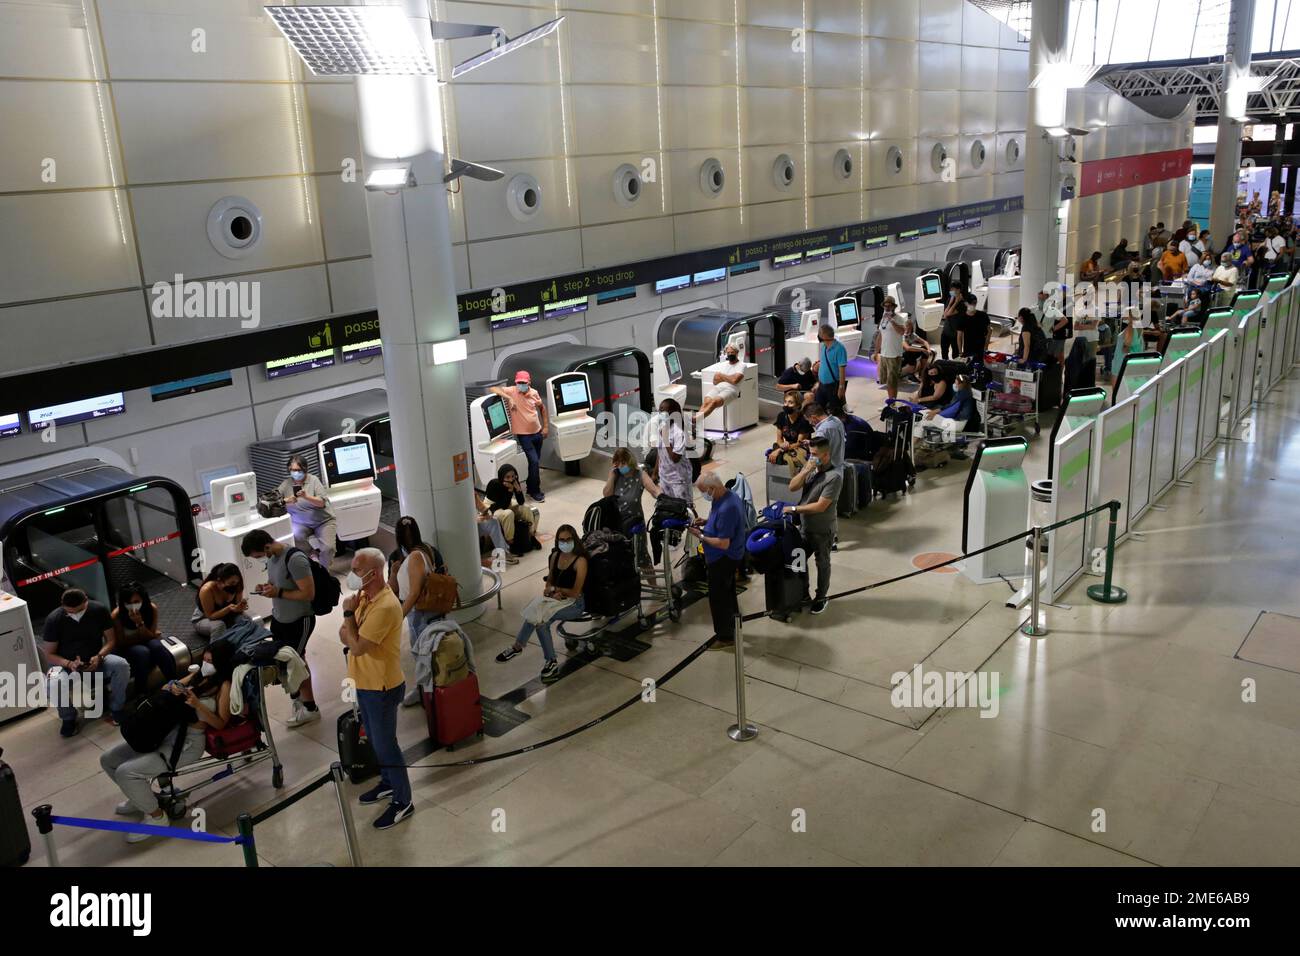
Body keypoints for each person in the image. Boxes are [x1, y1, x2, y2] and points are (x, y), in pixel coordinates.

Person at [100, 642, 235, 843]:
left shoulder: (224, 685)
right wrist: (173, 688)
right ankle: (142, 799)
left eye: (210, 661)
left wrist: (198, 705)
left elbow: (221, 722)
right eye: (204, 659)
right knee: (108, 759)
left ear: (221, 664)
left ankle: (157, 817)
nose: (205, 664)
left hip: (186, 744)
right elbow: (170, 685)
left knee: (126, 773)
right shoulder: (199, 675)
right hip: (165, 731)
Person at [339, 547, 413, 830]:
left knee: (386, 745)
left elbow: (355, 645)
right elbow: (344, 634)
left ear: (373, 572)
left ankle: (403, 800)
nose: (353, 574)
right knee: (374, 739)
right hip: (365, 683)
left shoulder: (384, 606)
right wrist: (350, 626)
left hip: (381, 687)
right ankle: (387, 782)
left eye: (357, 569)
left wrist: (348, 616)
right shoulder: (365, 598)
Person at [240, 528, 319, 727]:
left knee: (296, 662)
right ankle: (298, 700)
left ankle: (310, 708)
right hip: (280, 619)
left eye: (258, 555)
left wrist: (279, 592)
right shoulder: (272, 558)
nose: (258, 559)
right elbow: (277, 583)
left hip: (299, 619)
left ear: (266, 546)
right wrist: (266, 588)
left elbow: (308, 594)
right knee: (285, 661)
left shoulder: (295, 559)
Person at [494, 525, 587, 684]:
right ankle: (525, 650)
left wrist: (557, 590)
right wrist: (550, 591)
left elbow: (575, 592)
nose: (565, 543)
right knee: (536, 611)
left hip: (574, 604)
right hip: (555, 600)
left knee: (540, 620)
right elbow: (548, 583)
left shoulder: (580, 561)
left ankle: (540, 656)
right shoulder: (555, 556)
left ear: (574, 540)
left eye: (568, 539)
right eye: (561, 540)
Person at [43, 589, 129, 736]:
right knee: (53, 683)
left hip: (95, 659)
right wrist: (70, 664)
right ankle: (68, 718)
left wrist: (99, 656)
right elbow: (49, 654)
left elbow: (111, 640)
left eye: (80, 610)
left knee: (121, 665)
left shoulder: (99, 610)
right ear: (63, 607)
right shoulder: (54, 620)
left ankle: (117, 708)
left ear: (86, 602)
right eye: (71, 612)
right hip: (66, 666)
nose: (76, 615)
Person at [388, 515, 446, 707]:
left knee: (424, 653)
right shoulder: (428, 550)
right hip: (431, 608)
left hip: (419, 610)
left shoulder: (414, 556)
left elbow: (412, 593)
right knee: (429, 651)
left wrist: (398, 617)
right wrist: (394, 573)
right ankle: (429, 688)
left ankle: (428, 690)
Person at [687, 473, 746, 649]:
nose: (705, 495)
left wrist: (701, 535)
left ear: (713, 488)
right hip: (727, 555)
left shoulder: (728, 507)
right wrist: (707, 521)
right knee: (728, 592)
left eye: (705, 491)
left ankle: (725, 636)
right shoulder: (725, 495)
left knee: (718, 597)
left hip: (723, 558)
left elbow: (723, 543)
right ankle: (734, 624)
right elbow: (721, 521)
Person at [785, 436, 841, 616]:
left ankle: (822, 597)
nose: (811, 457)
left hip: (822, 530)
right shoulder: (811, 469)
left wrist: (794, 509)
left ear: (826, 455)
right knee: (798, 559)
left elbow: (820, 506)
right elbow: (792, 487)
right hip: (805, 527)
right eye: (810, 453)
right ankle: (803, 593)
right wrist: (805, 471)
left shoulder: (834, 477)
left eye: (815, 454)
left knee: (822, 563)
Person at [490, 371, 548, 503]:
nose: (521, 385)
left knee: (535, 463)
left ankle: (530, 486)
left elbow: (542, 409)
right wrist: (509, 398)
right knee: (534, 462)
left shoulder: (534, 393)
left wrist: (545, 427)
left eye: (524, 383)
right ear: (516, 383)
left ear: (529, 383)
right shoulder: (512, 391)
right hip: (524, 436)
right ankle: (535, 491)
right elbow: (493, 388)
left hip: (537, 433)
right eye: (519, 383)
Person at [276, 455, 337, 570]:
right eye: (293, 470)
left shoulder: (313, 480)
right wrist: (286, 501)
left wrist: (307, 497)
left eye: (299, 470)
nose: (296, 473)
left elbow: (321, 503)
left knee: (328, 548)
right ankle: (312, 554)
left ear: (305, 469)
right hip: (301, 523)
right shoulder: (286, 484)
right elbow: (275, 500)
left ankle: (323, 572)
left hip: (323, 521)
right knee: (294, 535)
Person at [603, 447, 660, 567]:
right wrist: (611, 476)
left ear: (630, 461)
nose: (620, 466)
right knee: (619, 558)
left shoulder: (640, 474)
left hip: (635, 524)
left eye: (623, 462)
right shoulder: (616, 475)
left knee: (642, 557)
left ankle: (653, 584)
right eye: (618, 463)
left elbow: (654, 491)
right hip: (617, 524)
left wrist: (664, 498)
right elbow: (606, 495)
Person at [111, 582, 176, 689]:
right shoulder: (116, 615)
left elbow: (151, 635)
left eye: (136, 601)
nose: (132, 605)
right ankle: (140, 691)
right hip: (127, 647)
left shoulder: (151, 609)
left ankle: (174, 683)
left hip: (145, 639)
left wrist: (140, 623)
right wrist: (144, 636)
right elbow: (121, 642)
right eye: (128, 603)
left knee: (158, 647)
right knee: (142, 652)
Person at [484, 463, 539, 555]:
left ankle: (531, 536)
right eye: (507, 477)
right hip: (492, 508)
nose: (511, 479)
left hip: (506, 504)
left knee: (525, 508)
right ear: (502, 477)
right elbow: (500, 506)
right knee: (509, 513)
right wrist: (510, 491)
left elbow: (521, 502)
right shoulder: (494, 484)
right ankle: (510, 543)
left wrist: (518, 490)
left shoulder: (514, 483)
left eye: (513, 476)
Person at [653, 397, 694, 507]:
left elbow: (675, 458)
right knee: (667, 508)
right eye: (659, 410)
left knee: (684, 509)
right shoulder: (663, 428)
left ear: (671, 412)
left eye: (662, 410)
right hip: (664, 477)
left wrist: (666, 438)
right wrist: (655, 472)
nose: (659, 413)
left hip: (679, 478)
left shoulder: (679, 432)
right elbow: (660, 451)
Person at [192, 563, 249, 641]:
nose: (234, 585)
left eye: (236, 582)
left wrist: (240, 607)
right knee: (219, 625)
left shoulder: (237, 585)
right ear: (220, 581)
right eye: (231, 583)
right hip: (204, 618)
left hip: (226, 616)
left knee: (246, 619)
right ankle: (214, 651)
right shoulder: (207, 589)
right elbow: (210, 616)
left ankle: (246, 647)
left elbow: (237, 609)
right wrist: (228, 609)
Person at [695, 342, 746, 421]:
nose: (730, 354)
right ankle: (697, 422)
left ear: (737, 352)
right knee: (706, 401)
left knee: (714, 402)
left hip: (731, 390)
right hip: (719, 387)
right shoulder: (723, 365)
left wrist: (722, 376)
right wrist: (728, 377)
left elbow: (735, 380)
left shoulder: (741, 365)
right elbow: (715, 381)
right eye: (728, 353)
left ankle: (695, 420)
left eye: (732, 352)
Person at [767, 390, 813, 473]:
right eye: (785, 402)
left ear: (798, 405)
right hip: (786, 445)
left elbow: (800, 443)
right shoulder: (781, 416)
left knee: (782, 457)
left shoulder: (803, 420)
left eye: (790, 402)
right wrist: (782, 445)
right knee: (775, 454)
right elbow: (779, 439)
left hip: (800, 447)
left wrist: (780, 449)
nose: (786, 405)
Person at [474, 490, 518, 565]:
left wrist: (486, 515)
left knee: (493, 522)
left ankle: (503, 553)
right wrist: (474, 520)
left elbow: (483, 509)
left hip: (473, 525)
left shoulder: (468, 491)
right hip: (461, 530)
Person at [813, 323, 848, 415]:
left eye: (819, 333)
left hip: (833, 386)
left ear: (824, 335)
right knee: (818, 410)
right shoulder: (824, 347)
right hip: (822, 385)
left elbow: (842, 369)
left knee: (835, 411)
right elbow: (824, 362)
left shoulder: (840, 348)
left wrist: (841, 387)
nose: (818, 335)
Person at [878, 294, 908, 400]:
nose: (887, 308)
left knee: (892, 381)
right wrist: (876, 351)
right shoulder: (883, 319)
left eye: (889, 306)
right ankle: (891, 402)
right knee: (887, 381)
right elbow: (880, 335)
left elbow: (902, 331)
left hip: (894, 354)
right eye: (885, 306)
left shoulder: (899, 319)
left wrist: (891, 320)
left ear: (894, 307)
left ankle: (892, 403)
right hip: (884, 354)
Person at [1110, 308, 1144, 387]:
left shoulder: (1130, 328)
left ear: (1130, 316)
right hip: (1134, 364)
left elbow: (1126, 348)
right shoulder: (1139, 328)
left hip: (1120, 365)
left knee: (1116, 393)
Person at [939, 281, 965, 360]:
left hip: (955, 334)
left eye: (953, 289)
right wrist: (951, 302)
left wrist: (956, 302)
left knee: (955, 355)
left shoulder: (962, 304)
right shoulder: (950, 299)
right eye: (951, 289)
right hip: (946, 331)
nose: (951, 291)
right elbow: (944, 315)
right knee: (944, 352)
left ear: (958, 290)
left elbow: (948, 314)